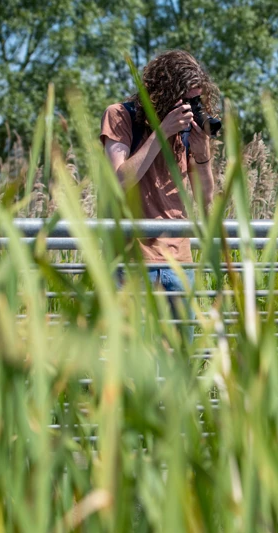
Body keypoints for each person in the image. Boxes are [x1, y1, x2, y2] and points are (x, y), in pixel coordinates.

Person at [100, 49, 220, 343]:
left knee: (180, 367)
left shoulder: (186, 132)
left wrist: (203, 158)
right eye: (186, 100)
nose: (191, 108)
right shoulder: (120, 116)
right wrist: (160, 131)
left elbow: (207, 205)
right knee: (132, 367)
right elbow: (119, 180)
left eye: (196, 100)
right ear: (163, 92)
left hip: (179, 263)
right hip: (132, 262)